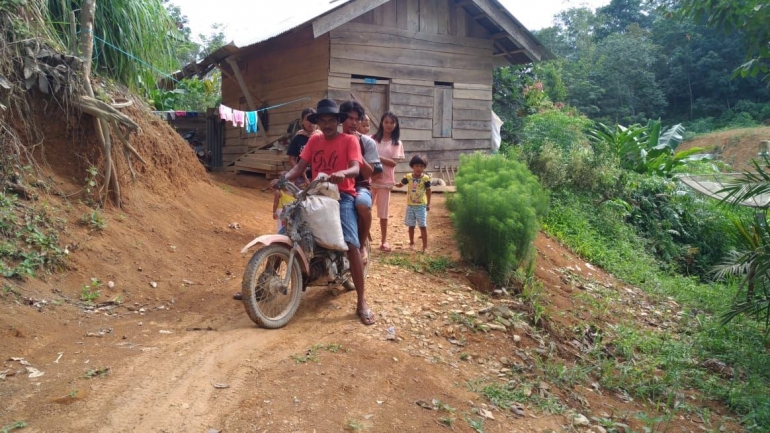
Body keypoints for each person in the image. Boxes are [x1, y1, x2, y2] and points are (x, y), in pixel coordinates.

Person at [276, 99, 375, 326]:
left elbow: (356, 167)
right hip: (317, 193)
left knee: (351, 244)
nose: (327, 124)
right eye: (323, 120)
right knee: (287, 230)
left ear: (338, 122)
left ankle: (361, 302)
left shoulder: (349, 140)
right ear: (317, 122)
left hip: (342, 196)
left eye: (332, 120)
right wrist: (284, 178)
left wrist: (344, 173)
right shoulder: (314, 140)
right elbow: (300, 168)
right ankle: (262, 280)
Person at [339, 100, 382, 264]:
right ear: (342, 119)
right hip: (337, 186)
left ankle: (362, 243)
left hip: (359, 186)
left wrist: (355, 147)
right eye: (349, 118)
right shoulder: (334, 139)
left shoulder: (367, 142)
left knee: (362, 205)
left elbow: (368, 173)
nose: (354, 122)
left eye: (357, 119)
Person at [370, 111, 405, 252]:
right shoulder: (372, 139)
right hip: (370, 179)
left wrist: (377, 157)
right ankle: (363, 237)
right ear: (381, 123)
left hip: (385, 181)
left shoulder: (397, 143)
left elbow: (393, 163)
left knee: (383, 213)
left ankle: (384, 241)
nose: (389, 125)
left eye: (392, 123)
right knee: (365, 209)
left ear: (396, 125)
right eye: (386, 122)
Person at [394, 155, 431, 252]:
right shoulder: (408, 177)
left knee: (423, 226)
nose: (419, 168)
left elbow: (428, 191)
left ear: (424, 167)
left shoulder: (426, 179)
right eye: (417, 166)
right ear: (412, 166)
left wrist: (428, 204)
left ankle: (425, 246)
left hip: (421, 206)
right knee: (411, 225)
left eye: (421, 166)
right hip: (410, 206)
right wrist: (393, 183)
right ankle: (411, 242)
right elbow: (400, 185)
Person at [286, 108, 317, 183]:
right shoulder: (298, 138)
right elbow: (291, 159)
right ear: (302, 121)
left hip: (319, 177)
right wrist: (300, 172)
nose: (311, 123)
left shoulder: (321, 137)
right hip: (301, 177)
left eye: (313, 119)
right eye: (307, 119)